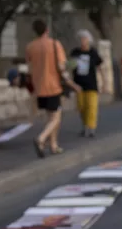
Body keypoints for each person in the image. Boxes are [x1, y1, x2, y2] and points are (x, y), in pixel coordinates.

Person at [26, 19, 80, 157]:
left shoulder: (30, 47)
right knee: (56, 118)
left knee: (50, 116)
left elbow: (30, 68)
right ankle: (41, 139)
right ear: (47, 30)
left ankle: (54, 145)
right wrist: (72, 84)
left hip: (39, 87)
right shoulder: (55, 45)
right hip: (53, 86)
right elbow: (62, 68)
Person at [70, 30, 103, 137]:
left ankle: (91, 128)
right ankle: (85, 126)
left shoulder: (93, 53)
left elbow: (99, 66)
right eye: (81, 39)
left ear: (89, 40)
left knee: (92, 107)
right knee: (81, 107)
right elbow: (70, 67)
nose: (83, 41)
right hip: (79, 84)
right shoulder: (75, 52)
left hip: (91, 84)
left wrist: (103, 81)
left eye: (85, 39)